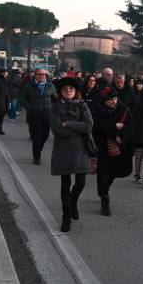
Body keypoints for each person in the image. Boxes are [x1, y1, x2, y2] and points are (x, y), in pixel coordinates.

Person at [50, 77, 94, 232]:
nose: (68, 91)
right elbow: (57, 131)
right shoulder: (55, 107)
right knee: (65, 184)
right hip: (63, 150)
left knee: (81, 183)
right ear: (61, 92)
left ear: (76, 92)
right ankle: (66, 215)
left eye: (71, 89)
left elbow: (88, 125)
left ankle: (73, 201)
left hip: (81, 149)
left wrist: (68, 124)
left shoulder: (82, 105)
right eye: (65, 89)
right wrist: (77, 128)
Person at [92, 86, 135, 215]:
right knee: (104, 171)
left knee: (117, 171)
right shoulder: (98, 111)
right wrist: (114, 129)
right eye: (110, 99)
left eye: (115, 98)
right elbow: (97, 128)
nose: (113, 102)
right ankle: (105, 199)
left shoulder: (124, 110)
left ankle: (104, 187)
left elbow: (131, 126)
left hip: (120, 147)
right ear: (104, 100)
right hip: (103, 147)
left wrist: (121, 137)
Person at [21, 69, 57, 164]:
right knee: (36, 136)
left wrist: (53, 108)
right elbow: (22, 98)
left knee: (45, 134)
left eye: (43, 75)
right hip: (34, 114)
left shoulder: (50, 86)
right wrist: (29, 107)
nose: (42, 76)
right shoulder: (29, 86)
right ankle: (36, 157)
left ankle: (38, 149)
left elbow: (55, 98)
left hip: (47, 114)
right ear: (35, 75)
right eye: (39, 74)